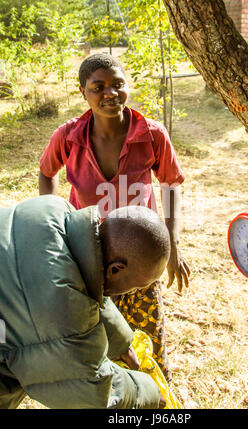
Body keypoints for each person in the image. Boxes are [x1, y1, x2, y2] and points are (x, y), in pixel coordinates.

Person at [39, 53, 190, 380]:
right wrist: (50, 220)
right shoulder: (69, 137)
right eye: (98, 87)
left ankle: (154, 396)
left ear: (127, 86)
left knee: (147, 336)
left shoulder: (151, 135)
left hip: (140, 255)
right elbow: (46, 172)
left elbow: (172, 184)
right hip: (88, 257)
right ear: (84, 92)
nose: (110, 93)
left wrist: (172, 246)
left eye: (118, 84)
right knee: (95, 336)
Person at [0, 196, 171, 409]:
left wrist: (120, 341)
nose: (132, 291)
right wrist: (150, 393)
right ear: (116, 269)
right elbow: (94, 393)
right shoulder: (63, 314)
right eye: (136, 286)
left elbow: (85, 284)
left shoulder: (54, 209)